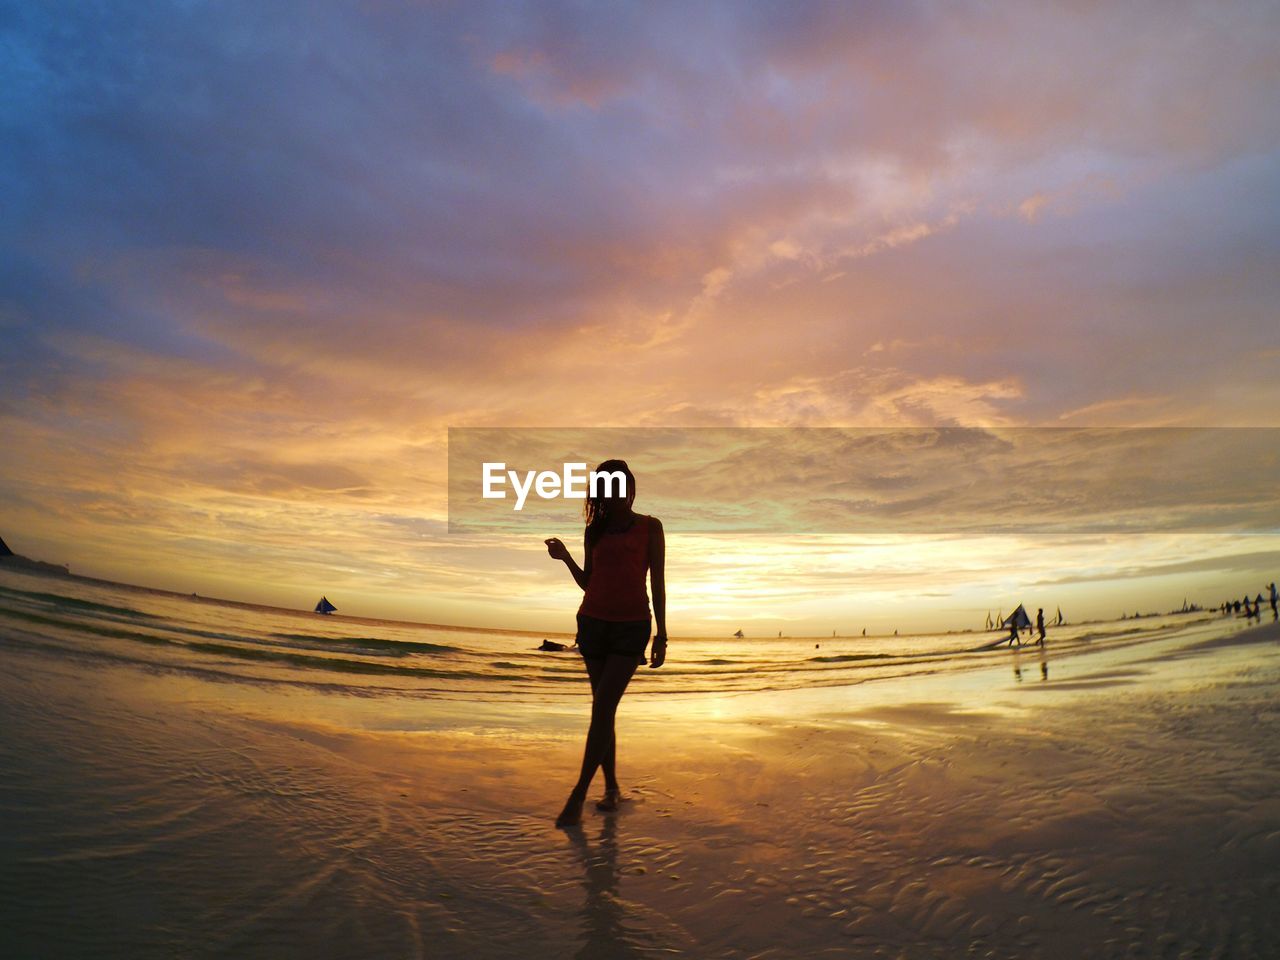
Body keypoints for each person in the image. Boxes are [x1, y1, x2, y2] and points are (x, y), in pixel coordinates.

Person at [544, 459, 666, 827]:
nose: (617, 492)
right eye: (608, 486)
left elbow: (658, 583)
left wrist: (662, 633)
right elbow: (589, 583)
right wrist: (565, 558)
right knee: (603, 709)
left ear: (630, 488)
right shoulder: (593, 530)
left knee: (602, 709)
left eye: (622, 485)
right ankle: (611, 787)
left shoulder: (650, 527)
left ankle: (578, 792)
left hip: (632, 627)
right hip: (593, 623)